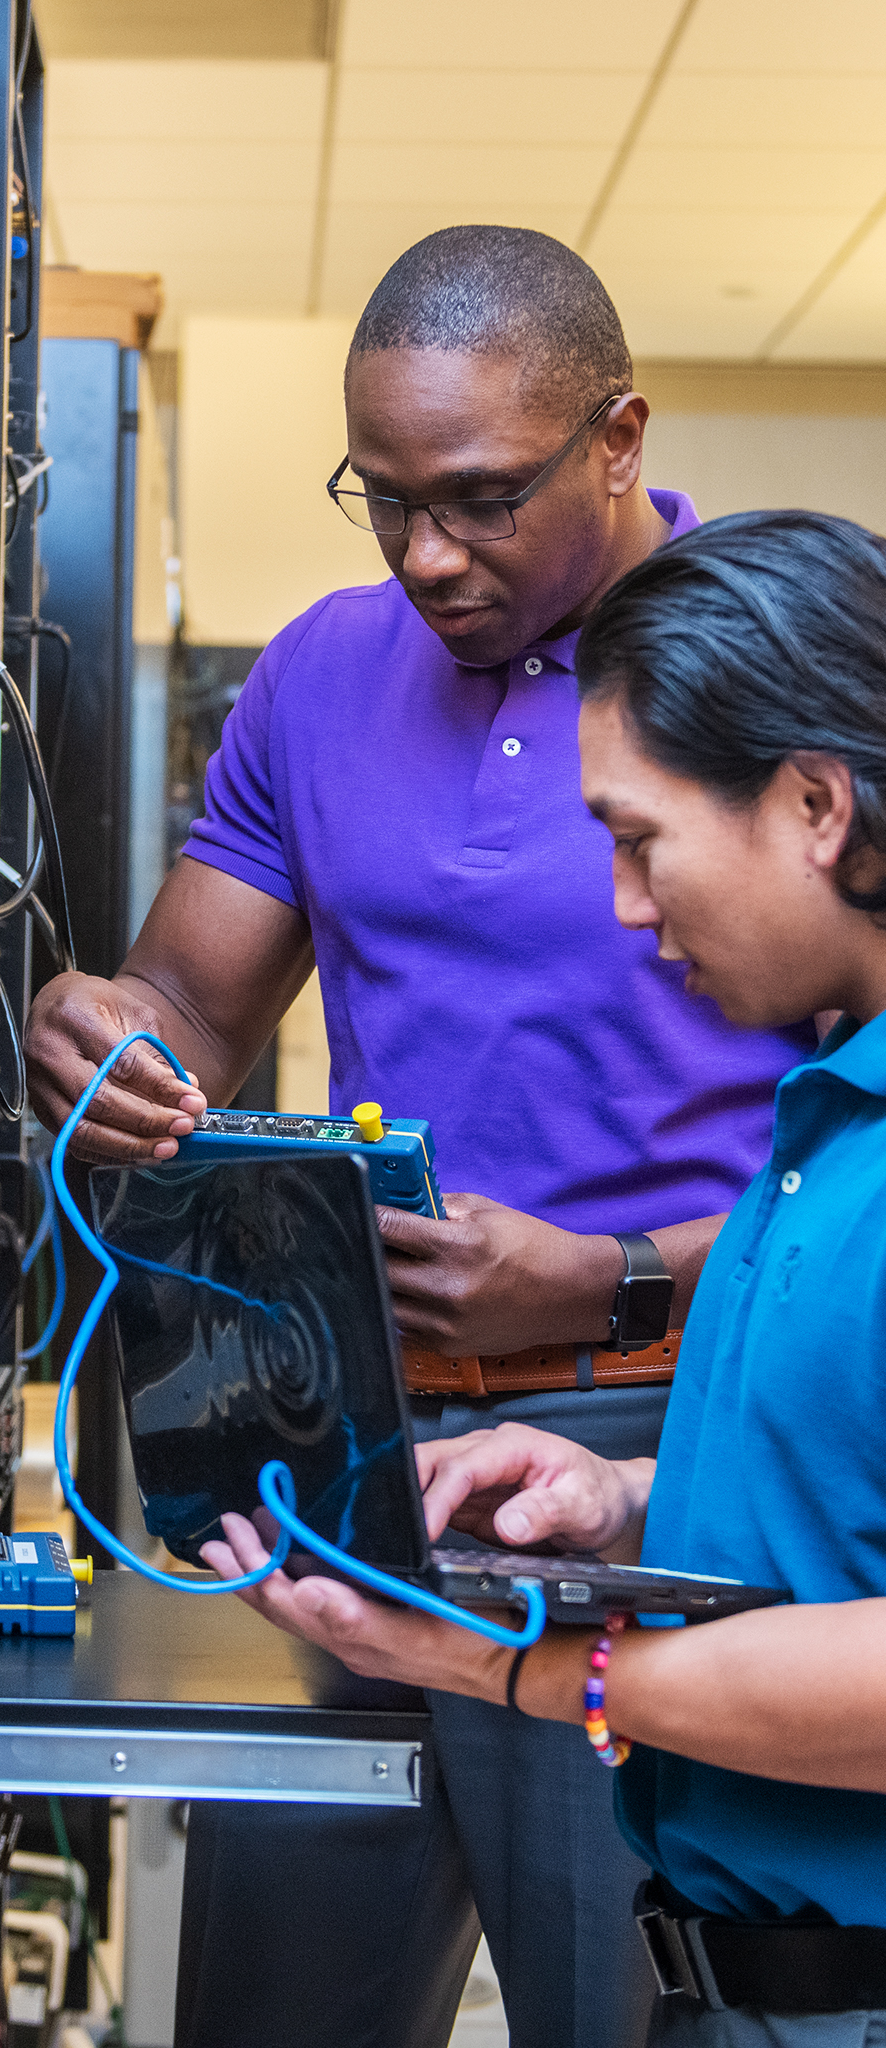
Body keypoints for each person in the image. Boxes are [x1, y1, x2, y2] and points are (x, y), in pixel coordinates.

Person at [24, 231, 816, 2048]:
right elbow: (189, 1000)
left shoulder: (767, 672)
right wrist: (104, 1031)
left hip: (657, 1458)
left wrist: (602, 1279)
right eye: (380, 502)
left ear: (616, 435)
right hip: (354, 1455)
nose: (425, 556)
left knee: (621, 2004)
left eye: (475, 501)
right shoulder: (318, 676)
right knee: (273, 2002)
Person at [209, 506, 886, 2046]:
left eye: (641, 844)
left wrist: (530, 1669)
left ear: (812, 807)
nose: (629, 914)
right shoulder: (823, 1128)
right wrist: (619, 1504)